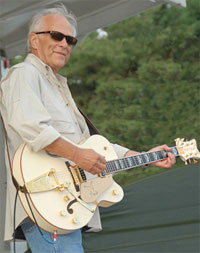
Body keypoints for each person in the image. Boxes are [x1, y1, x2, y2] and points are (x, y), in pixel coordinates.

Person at [0, 4, 175, 253]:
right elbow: (33, 128)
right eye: (57, 36)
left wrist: (147, 157)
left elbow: (95, 147)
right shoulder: (24, 74)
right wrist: (78, 156)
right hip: (47, 202)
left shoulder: (58, 86)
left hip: (66, 207)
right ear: (34, 40)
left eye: (71, 40)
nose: (64, 44)